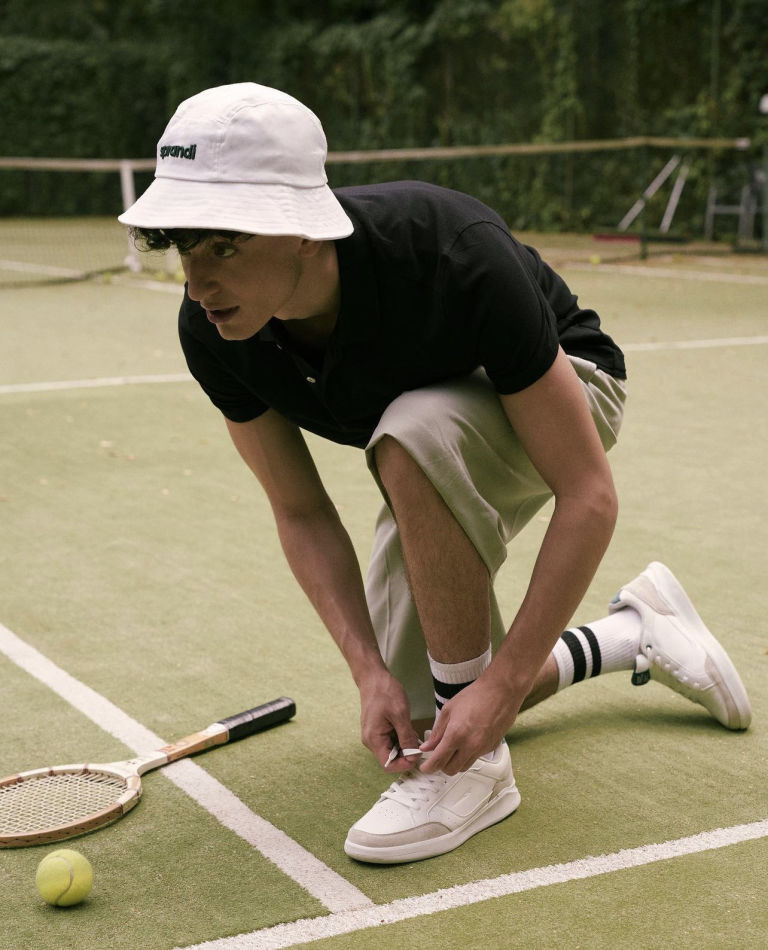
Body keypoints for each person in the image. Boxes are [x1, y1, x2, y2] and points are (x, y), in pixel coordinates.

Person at [119, 82, 751, 864]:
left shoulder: (451, 251)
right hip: (420, 449)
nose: (197, 281)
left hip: (572, 390)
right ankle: (628, 636)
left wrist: (502, 684)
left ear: (304, 229)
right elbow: (300, 511)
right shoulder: (214, 332)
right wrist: (369, 672)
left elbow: (587, 495)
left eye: (225, 246)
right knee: (429, 719)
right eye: (185, 246)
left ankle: (478, 776)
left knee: (413, 435)